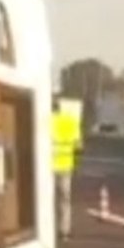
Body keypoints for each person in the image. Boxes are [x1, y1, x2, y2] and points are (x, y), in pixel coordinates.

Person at [50, 97, 82, 240]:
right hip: (66, 165)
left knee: (47, 200)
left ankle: (46, 231)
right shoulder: (71, 122)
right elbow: (79, 147)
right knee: (65, 200)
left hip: (48, 166)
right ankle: (65, 231)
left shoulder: (47, 122)